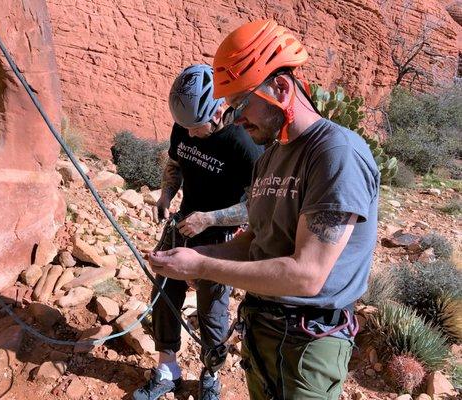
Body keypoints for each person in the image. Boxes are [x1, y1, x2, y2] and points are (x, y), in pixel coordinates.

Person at [147, 20, 380, 400]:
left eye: (240, 104)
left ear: (282, 88)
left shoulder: (335, 155)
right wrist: (192, 255)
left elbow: (307, 276)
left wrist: (202, 266)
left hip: (309, 346)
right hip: (263, 334)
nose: (235, 118)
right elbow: (255, 241)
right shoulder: (271, 157)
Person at [133, 64, 263, 400]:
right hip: (182, 226)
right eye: (185, 127)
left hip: (220, 236)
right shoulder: (185, 125)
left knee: (212, 311)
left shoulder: (244, 143)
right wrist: (166, 194)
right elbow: (176, 162)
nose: (189, 133)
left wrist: (209, 219)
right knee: (163, 294)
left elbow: (257, 206)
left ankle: (211, 375)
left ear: (220, 108)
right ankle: (167, 369)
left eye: (197, 127)